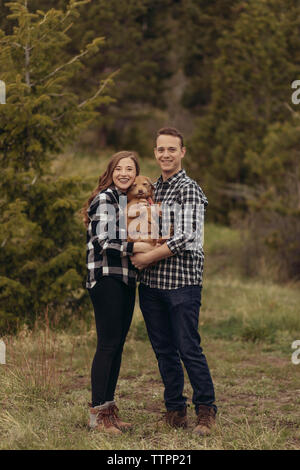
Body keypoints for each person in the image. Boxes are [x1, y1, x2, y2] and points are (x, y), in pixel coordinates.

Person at [131, 127, 217, 436]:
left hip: (182, 283)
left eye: (171, 149)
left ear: (182, 152)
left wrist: (146, 257)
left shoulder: (188, 188)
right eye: (160, 150)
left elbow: (187, 236)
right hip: (152, 286)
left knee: (188, 347)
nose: (165, 154)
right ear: (154, 153)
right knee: (164, 350)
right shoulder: (152, 187)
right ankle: (175, 411)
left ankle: (206, 412)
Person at [83, 150, 153, 434]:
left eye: (131, 170)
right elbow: (103, 241)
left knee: (117, 346)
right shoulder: (106, 199)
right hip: (106, 278)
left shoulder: (127, 201)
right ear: (111, 171)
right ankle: (97, 416)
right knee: (107, 345)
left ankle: (109, 411)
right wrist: (139, 248)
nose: (125, 173)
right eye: (120, 168)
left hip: (125, 279)